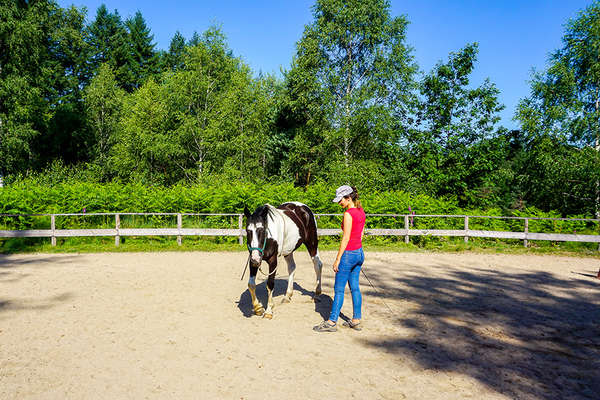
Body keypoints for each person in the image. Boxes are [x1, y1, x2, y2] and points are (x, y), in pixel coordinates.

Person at [314, 185, 366, 332]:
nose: (339, 203)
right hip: (359, 252)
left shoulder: (348, 214)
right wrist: (358, 251)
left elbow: (346, 238)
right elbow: (360, 234)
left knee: (339, 290)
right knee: (355, 287)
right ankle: (356, 319)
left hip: (348, 254)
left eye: (341, 200)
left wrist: (338, 259)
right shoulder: (361, 211)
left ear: (348, 198)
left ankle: (331, 322)